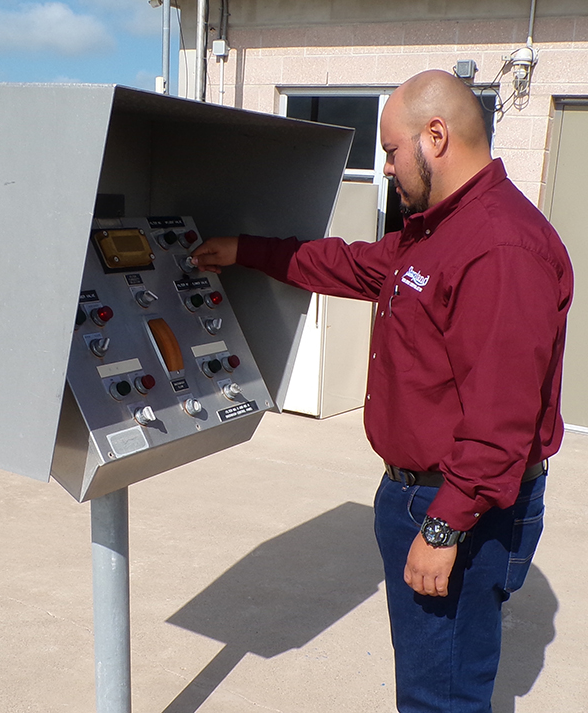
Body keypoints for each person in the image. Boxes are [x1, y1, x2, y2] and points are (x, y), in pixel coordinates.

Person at [191, 69, 573, 712]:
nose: (387, 168)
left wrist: (445, 527)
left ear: (436, 136)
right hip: (417, 494)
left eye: (392, 152)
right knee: (430, 684)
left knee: (440, 697)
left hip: (459, 506)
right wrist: (245, 250)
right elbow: (351, 264)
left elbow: (501, 420)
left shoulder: (500, 248)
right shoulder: (439, 231)